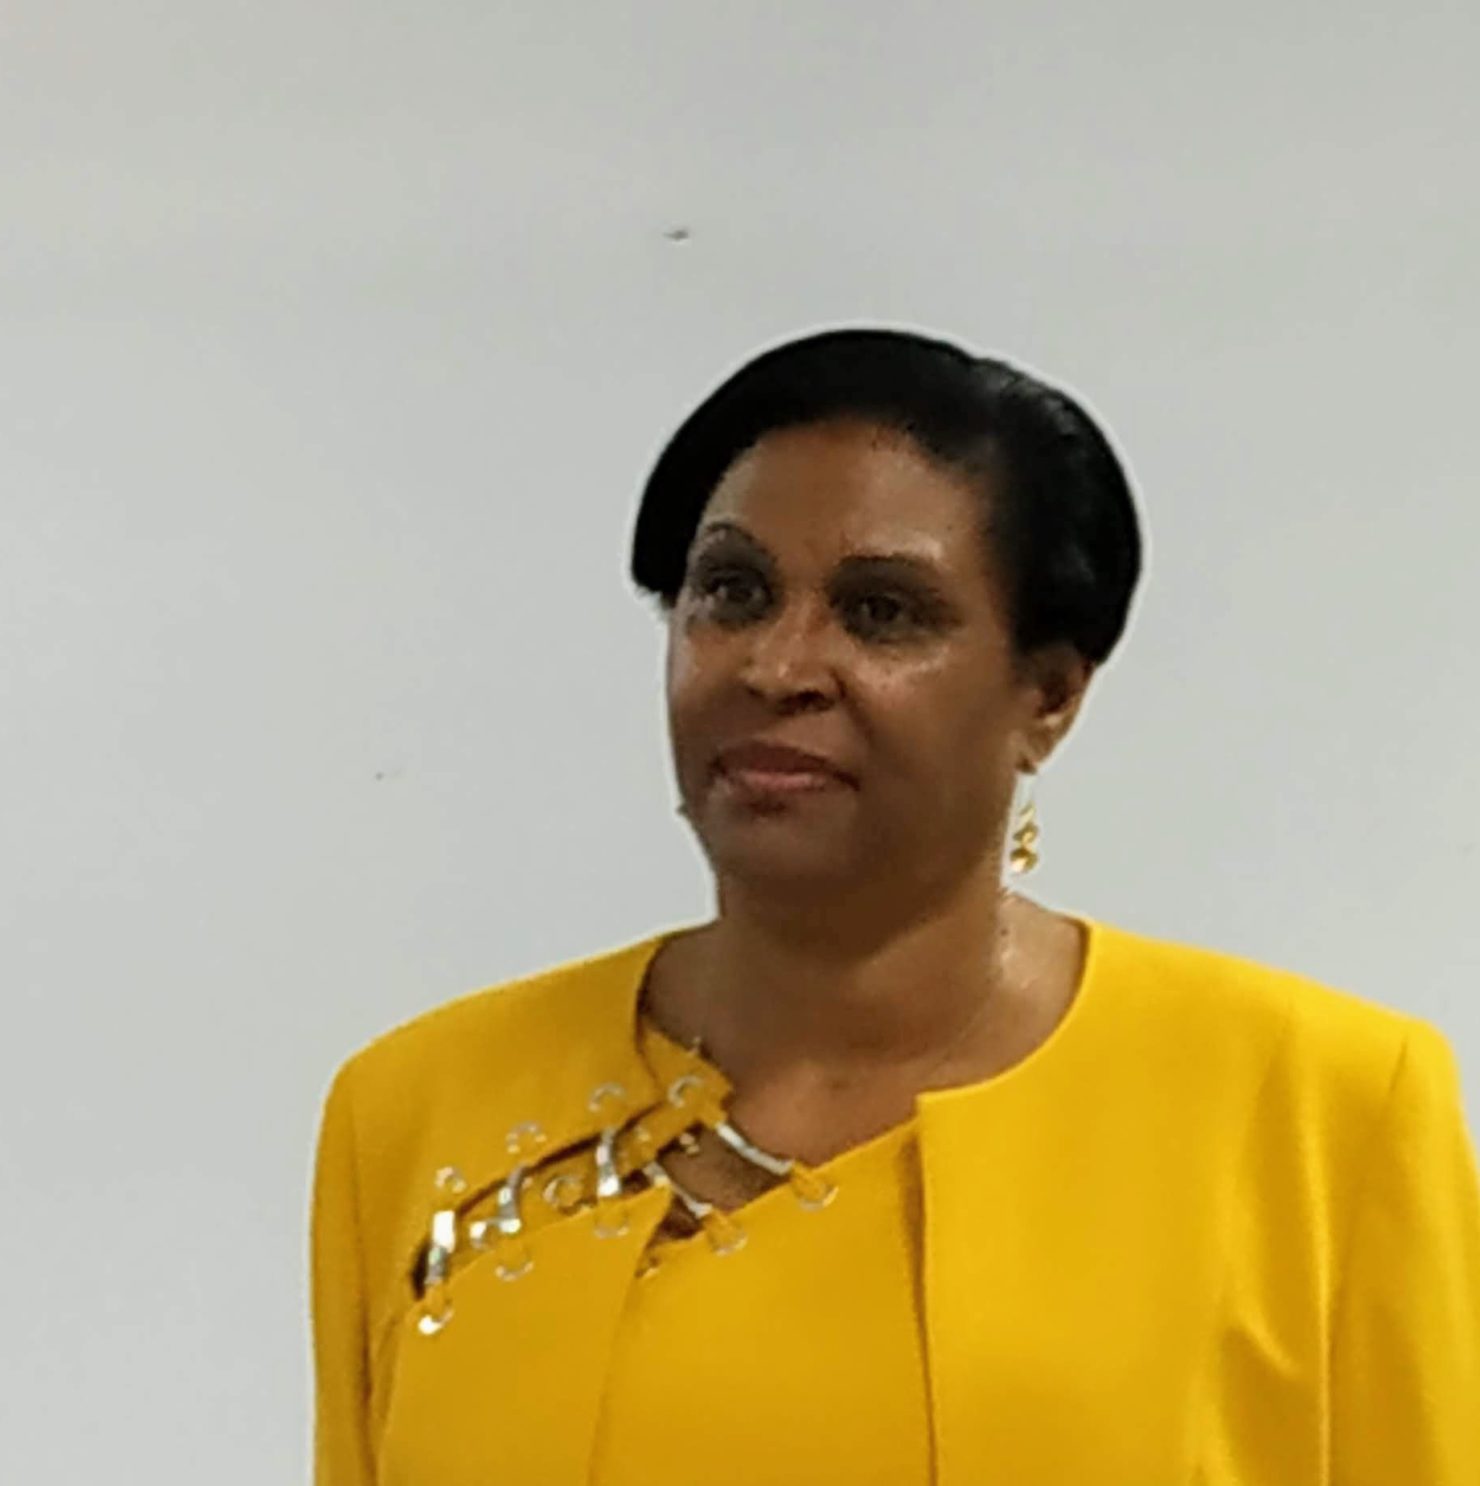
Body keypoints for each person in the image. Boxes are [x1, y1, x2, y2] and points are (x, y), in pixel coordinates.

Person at [309, 327, 1480, 1485]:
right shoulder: (420, 1111)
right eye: (731, 592)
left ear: (1049, 695)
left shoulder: (1319, 1120)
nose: (777, 666)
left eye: (881, 612)